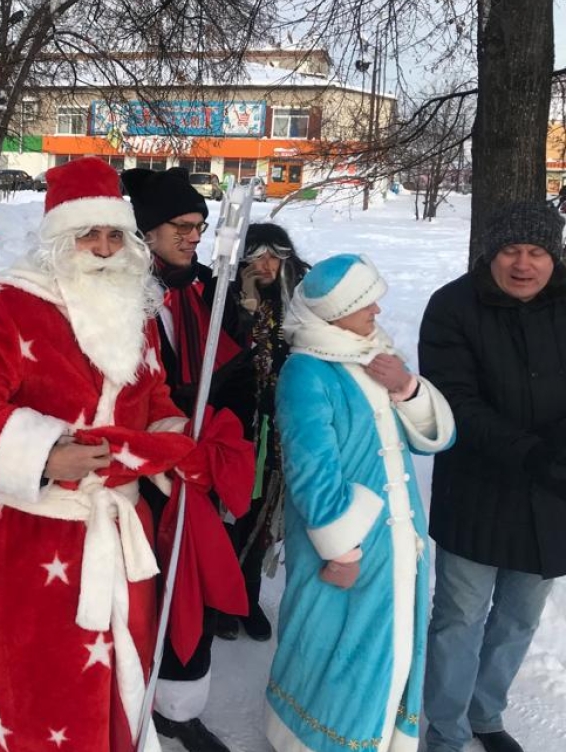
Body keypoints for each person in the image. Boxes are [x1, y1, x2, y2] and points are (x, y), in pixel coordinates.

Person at [0, 158, 249, 752]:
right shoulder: (8, 306)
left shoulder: (133, 307)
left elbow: (150, 397)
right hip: (36, 537)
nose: (102, 248)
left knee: (120, 680)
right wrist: (46, 454)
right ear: (57, 238)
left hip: (120, 534)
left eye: (114, 235)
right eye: (87, 234)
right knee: (42, 694)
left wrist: (178, 435)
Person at [265, 254, 455, 752]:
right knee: (333, 646)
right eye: (365, 302)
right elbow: (311, 469)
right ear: (334, 312)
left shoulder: (376, 355)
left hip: (394, 543)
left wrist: (406, 388)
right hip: (349, 546)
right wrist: (341, 549)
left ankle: (377, 739)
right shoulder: (306, 371)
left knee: (389, 645)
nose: (377, 311)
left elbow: (436, 440)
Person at [419, 203, 566, 752]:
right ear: (490, 253)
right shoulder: (453, 307)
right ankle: (448, 730)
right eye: (511, 250)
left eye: (536, 252)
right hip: (476, 489)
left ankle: (486, 715)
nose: (523, 264)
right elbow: (455, 400)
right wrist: (532, 453)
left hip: (551, 496)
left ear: (554, 255)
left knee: (519, 618)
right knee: (459, 617)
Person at [121, 165, 255, 752]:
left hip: (198, 464)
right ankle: (131, 701)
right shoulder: (121, 294)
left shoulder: (204, 290)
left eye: (199, 225)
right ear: (147, 230)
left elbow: (231, 373)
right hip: (141, 472)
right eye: (180, 225)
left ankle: (179, 706)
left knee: (189, 584)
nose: (193, 236)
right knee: (143, 592)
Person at [227, 223, 310, 642]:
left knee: (262, 517)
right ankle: (221, 601)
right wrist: (245, 307)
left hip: (280, 428)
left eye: (274, 256)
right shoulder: (225, 298)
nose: (265, 264)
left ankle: (248, 597)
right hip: (236, 426)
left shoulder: (301, 302)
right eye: (257, 255)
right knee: (231, 514)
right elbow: (225, 357)